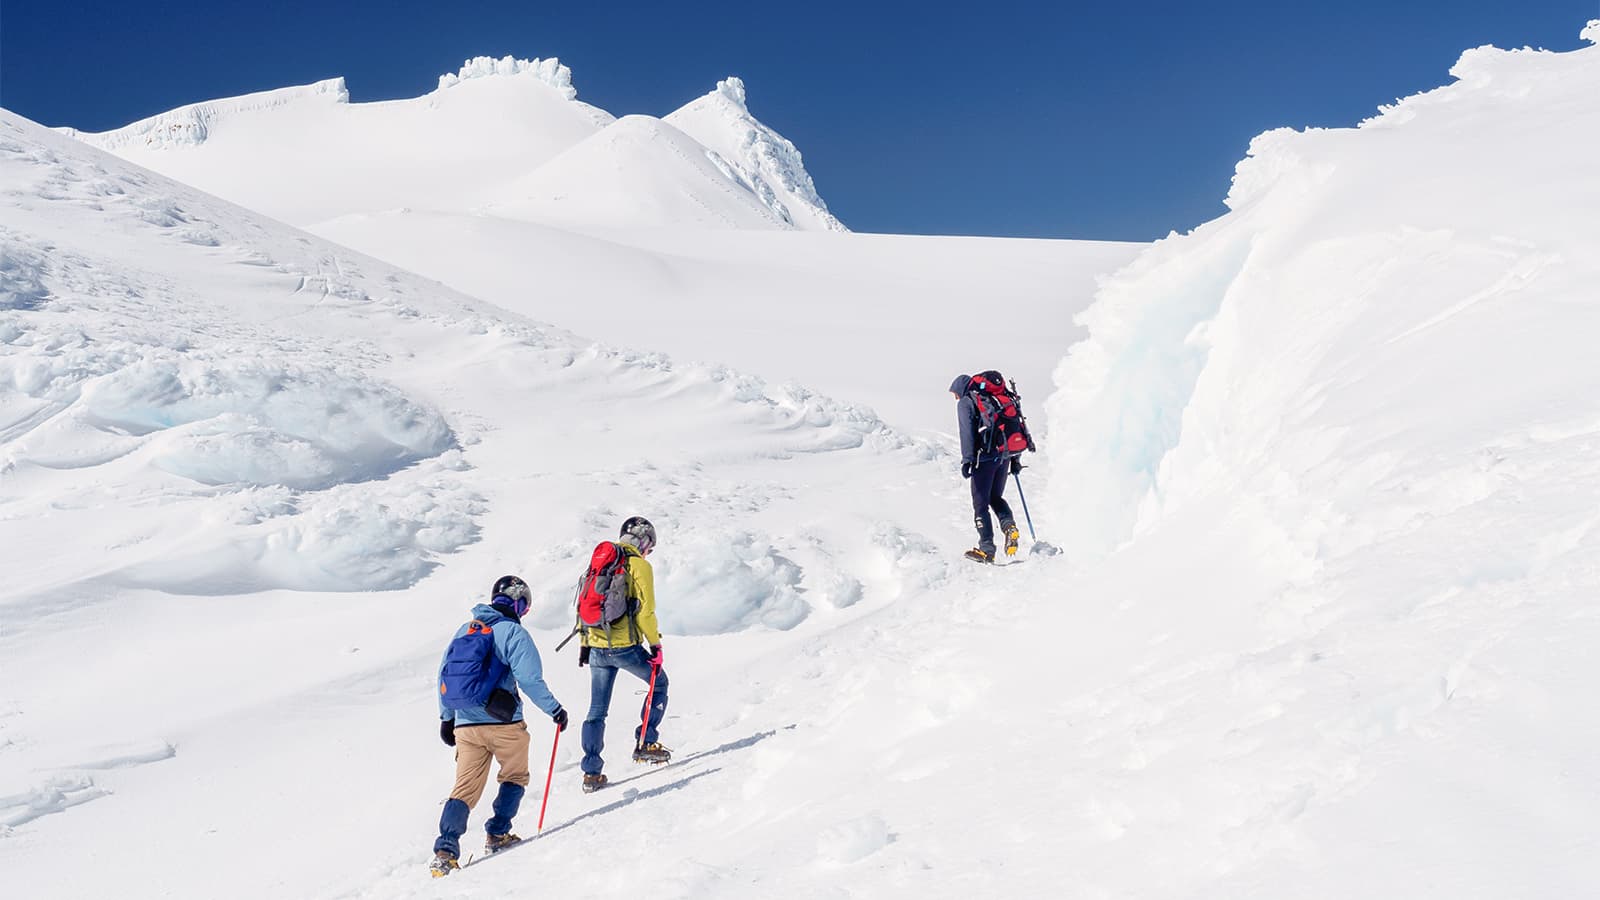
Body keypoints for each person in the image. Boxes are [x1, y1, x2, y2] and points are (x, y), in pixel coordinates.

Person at [429, 575, 567, 877]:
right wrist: (555, 710)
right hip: (505, 723)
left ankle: (445, 851)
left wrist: (447, 718)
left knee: (464, 789)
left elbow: (443, 676)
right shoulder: (513, 632)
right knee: (515, 776)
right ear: (519, 604)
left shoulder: (465, 630)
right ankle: (498, 833)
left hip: (465, 724)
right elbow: (530, 679)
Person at [579, 516, 670, 793]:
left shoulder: (599, 561)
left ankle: (591, 773)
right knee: (659, 683)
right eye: (649, 546)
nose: (648, 552)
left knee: (596, 710)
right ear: (643, 541)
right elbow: (645, 611)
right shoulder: (639, 566)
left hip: (596, 646)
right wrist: (655, 646)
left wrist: (585, 644)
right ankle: (646, 742)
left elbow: (583, 604)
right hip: (624, 647)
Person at [950, 373, 1030, 563]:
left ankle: (986, 549)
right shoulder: (995, 399)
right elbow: (1012, 427)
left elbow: (966, 432)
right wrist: (1015, 459)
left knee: (980, 504)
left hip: (984, 459)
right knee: (995, 497)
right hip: (1004, 455)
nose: (955, 398)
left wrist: (967, 460)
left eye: (955, 394)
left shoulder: (967, 402)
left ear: (961, 389)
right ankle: (1009, 527)